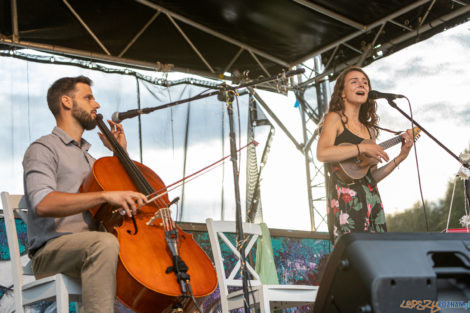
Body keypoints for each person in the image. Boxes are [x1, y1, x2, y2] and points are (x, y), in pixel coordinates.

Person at [22, 75, 148, 313]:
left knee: (135, 255)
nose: (97, 105)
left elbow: (117, 199)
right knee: (103, 244)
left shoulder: (92, 161)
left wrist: (120, 155)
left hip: (93, 246)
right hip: (51, 250)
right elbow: (42, 203)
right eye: (88, 97)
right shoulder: (43, 148)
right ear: (67, 102)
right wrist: (104, 196)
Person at [316, 66, 413, 241]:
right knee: (355, 257)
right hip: (345, 200)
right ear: (343, 93)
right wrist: (362, 148)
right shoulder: (334, 118)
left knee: (377, 256)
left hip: (371, 198)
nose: (361, 84)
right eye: (354, 81)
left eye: (365, 82)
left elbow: (371, 176)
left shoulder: (370, 131)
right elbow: (322, 153)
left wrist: (401, 157)